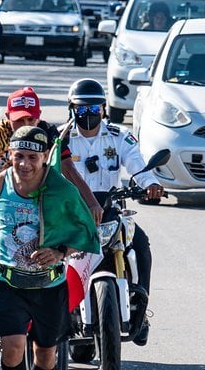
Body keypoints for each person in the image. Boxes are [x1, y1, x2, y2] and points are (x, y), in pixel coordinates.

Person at [0, 126, 99, 370]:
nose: (25, 163)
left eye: (32, 157)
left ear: (44, 158)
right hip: (7, 280)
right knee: (13, 346)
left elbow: (84, 233)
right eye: (19, 156)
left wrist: (60, 252)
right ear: (9, 155)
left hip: (49, 285)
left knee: (46, 353)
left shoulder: (61, 190)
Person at [63, 78, 162, 345]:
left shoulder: (119, 136)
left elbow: (137, 163)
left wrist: (150, 184)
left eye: (94, 109)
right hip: (72, 213)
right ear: (71, 109)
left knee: (140, 245)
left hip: (110, 210)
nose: (87, 115)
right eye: (81, 109)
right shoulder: (61, 139)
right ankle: (57, 311)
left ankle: (140, 308)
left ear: (104, 109)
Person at [0, 86, 99, 218]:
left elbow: (68, 168)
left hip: (35, 194)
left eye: (31, 119)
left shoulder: (48, 132)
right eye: (19, 120)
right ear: (8, 116)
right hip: (0, 192)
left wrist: (92, 203)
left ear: (39, 116)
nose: (26, 125)